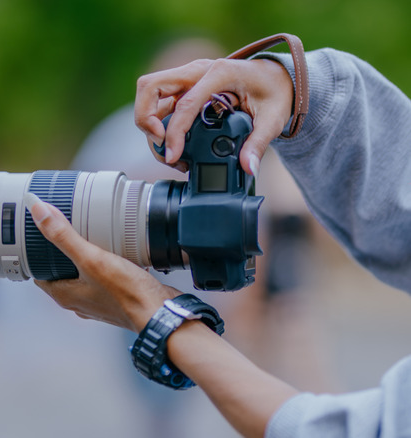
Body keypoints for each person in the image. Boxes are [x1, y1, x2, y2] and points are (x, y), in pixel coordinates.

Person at [25, 42, 411, 437]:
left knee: (294, 352)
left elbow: (345, 429)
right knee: (159, 401)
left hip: (197, 294)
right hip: (157, 290)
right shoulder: (125, 135)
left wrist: (158, 315)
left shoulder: (255, 153)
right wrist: (293, 84)